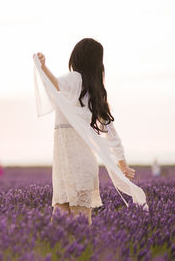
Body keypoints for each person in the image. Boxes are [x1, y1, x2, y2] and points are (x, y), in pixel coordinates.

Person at [34, 38, 141, 226]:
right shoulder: (92, 90)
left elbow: (56, 84)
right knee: (74, 218)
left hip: (71, 163)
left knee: (66, 219)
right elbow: (112, 135)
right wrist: (122, 165)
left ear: (77, 57)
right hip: (72, 164)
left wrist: (43, 67)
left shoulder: (76, 79)